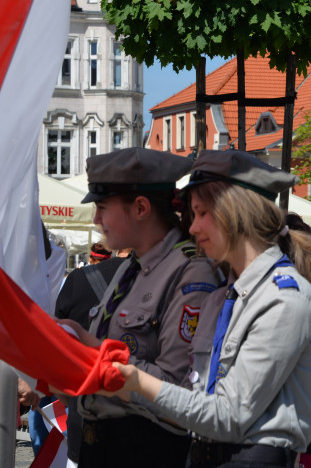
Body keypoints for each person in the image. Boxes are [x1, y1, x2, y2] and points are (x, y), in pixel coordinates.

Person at [113, 149, 311, 467]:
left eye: (202, 213)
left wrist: (136, 381)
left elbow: (229, 415)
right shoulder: (223, 298)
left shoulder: (284, 300)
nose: (193, 228)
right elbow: (199, 396)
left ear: (235, 214)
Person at [59, 148, 220, 467]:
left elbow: (179, 389)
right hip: (97, 445)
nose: (96, 219)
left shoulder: (190, 271)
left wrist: (90, 352)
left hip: (146, 449)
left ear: (141, 208)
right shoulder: (129, 268)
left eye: (102, 207)